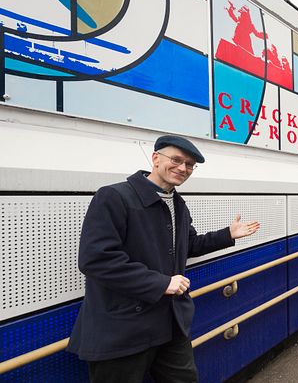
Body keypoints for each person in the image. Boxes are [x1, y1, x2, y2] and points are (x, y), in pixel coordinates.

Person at [67, 135, 261, 383]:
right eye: (177, 160)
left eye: (190, 165)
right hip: (123, 328)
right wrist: (161, 283)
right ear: (156, 159)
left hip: (170, 323)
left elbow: (188, 245)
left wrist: (227, 235)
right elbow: (96, 259)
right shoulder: (115, 197)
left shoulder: (178, 204)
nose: (183, 168)